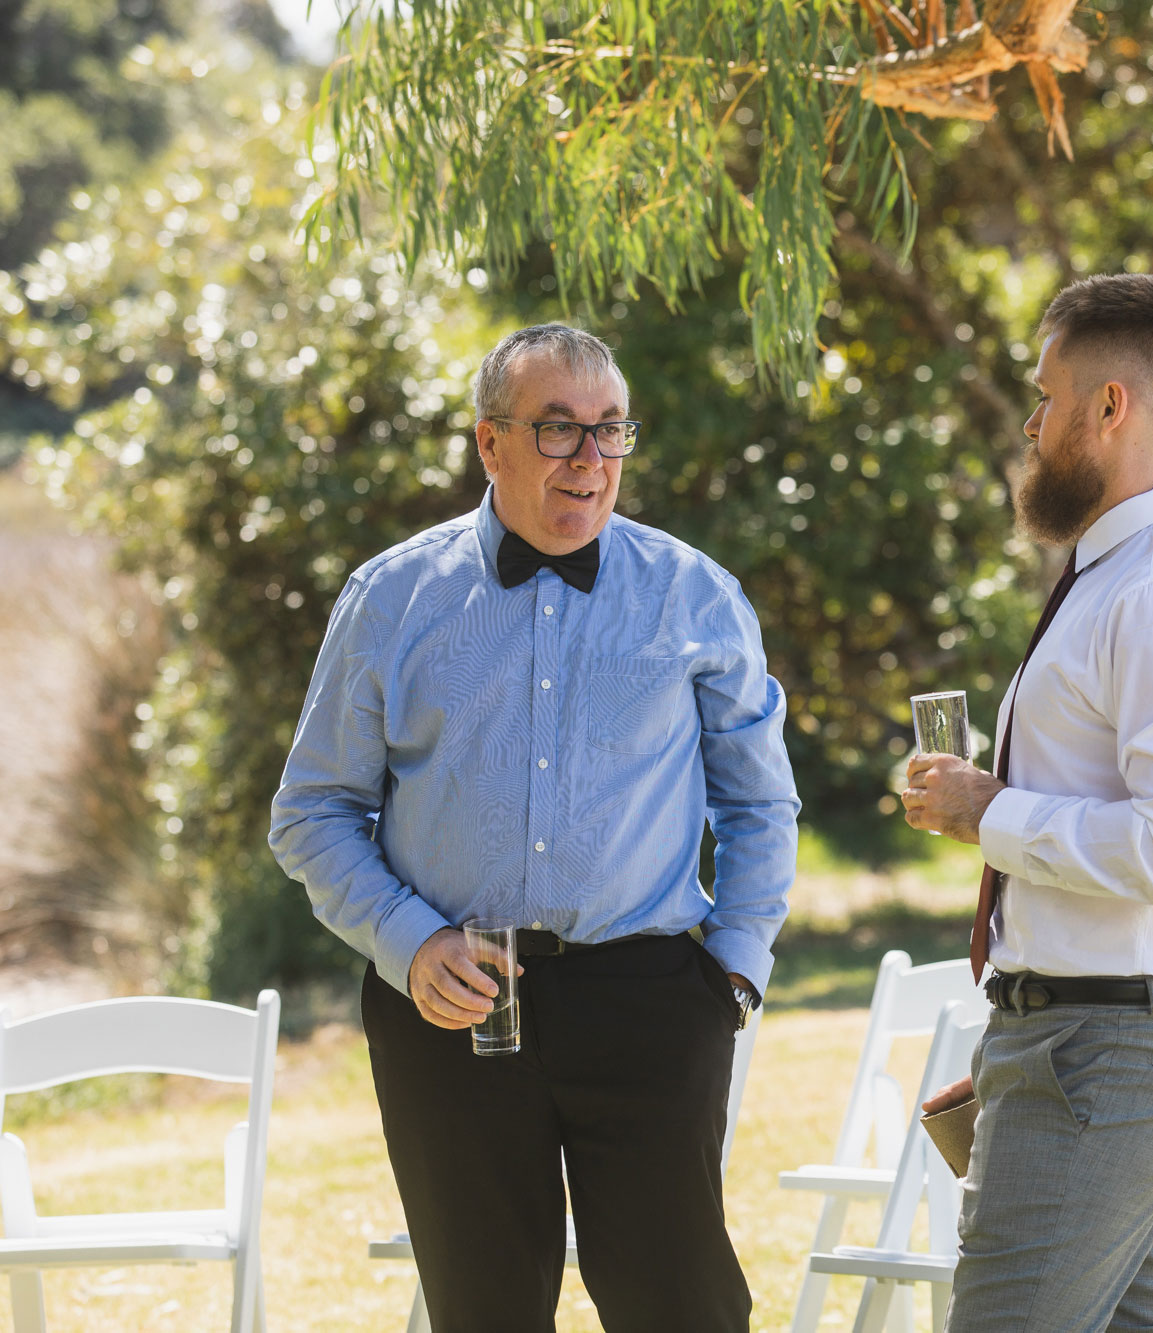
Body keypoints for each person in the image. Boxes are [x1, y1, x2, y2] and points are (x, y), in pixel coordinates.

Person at [269, 324, 799, 1333]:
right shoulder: (389, 600)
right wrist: (407, 941)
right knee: (484, 1314)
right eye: (557, 432)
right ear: (488, 444)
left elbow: (759, 803)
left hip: (647, 1001)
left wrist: (730, 971)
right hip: (451, 1011)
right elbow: (313, 811)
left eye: (609, 432)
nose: (589, 461)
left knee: (685, 1309)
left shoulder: (694, 597)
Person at [900, 273, 1153, 1332]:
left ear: (1106, 406)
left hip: (1107, 1057)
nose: (1029, 423)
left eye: (1042, 393)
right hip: (1088, 1045)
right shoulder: (1118, 572)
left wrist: (989, 813)